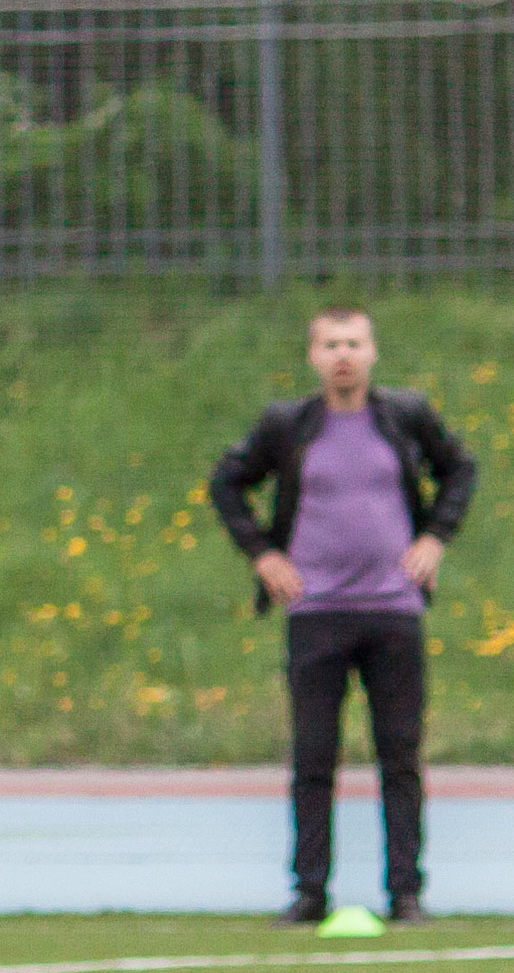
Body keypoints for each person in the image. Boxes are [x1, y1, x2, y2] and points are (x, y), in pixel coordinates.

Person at [209, 305, 478, 927]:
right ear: (313, 356)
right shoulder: (289, 426)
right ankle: (308, 893)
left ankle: (406, 894)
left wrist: (436, 535)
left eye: (353, 342)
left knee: (401, 755)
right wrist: (263, 554)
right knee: (312, 757)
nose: (343, 355)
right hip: (316, 613)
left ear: (372, 351)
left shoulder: (404, 417)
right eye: (330, 344)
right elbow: (227, 482)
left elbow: (459, 468)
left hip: (394, 611)